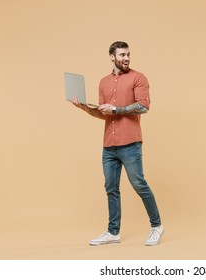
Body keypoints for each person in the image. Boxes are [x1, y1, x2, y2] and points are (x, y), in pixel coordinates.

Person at [72, 41, 164, 246]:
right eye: (122, 55)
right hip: (109, 145)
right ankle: (113, 232)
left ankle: (157, 226)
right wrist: (84, 108)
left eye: (128, 54)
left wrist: (116, 109)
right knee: (111, 188)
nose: (127, 58)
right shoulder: (103, 82)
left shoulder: (138, 78)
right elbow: (105, 114)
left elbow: (143, 107)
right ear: (112, 57)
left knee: (139, 184)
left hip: (130, 143)